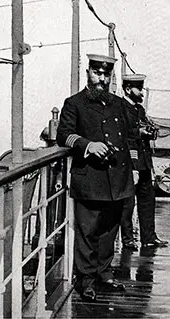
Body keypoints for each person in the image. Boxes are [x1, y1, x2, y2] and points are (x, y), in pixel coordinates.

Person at [56, 54, 135, 302]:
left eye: (106, 75)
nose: (102, 79)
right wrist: (88, 145)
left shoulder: (119, 104)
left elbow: (129, 136)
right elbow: (64, 135)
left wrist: (132, 169)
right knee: (88, 232)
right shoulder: (74, 103)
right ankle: (87, 280)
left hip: (117, 178)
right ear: (88, 72)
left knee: (109, 230)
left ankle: (105, 273)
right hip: (90, 178)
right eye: (97, 73)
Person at [120, 74, 168, 251]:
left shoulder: (139, 109)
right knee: (128, 204)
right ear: (127, 89)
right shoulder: (121, 108)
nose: (141, 92)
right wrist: (133, 167)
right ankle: (128, 239)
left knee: (148, 201)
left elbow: (143, 132)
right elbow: (125, 136)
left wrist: (150, 131)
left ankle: (149, 237)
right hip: (131, 164)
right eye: (138, 89)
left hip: (145, 163)